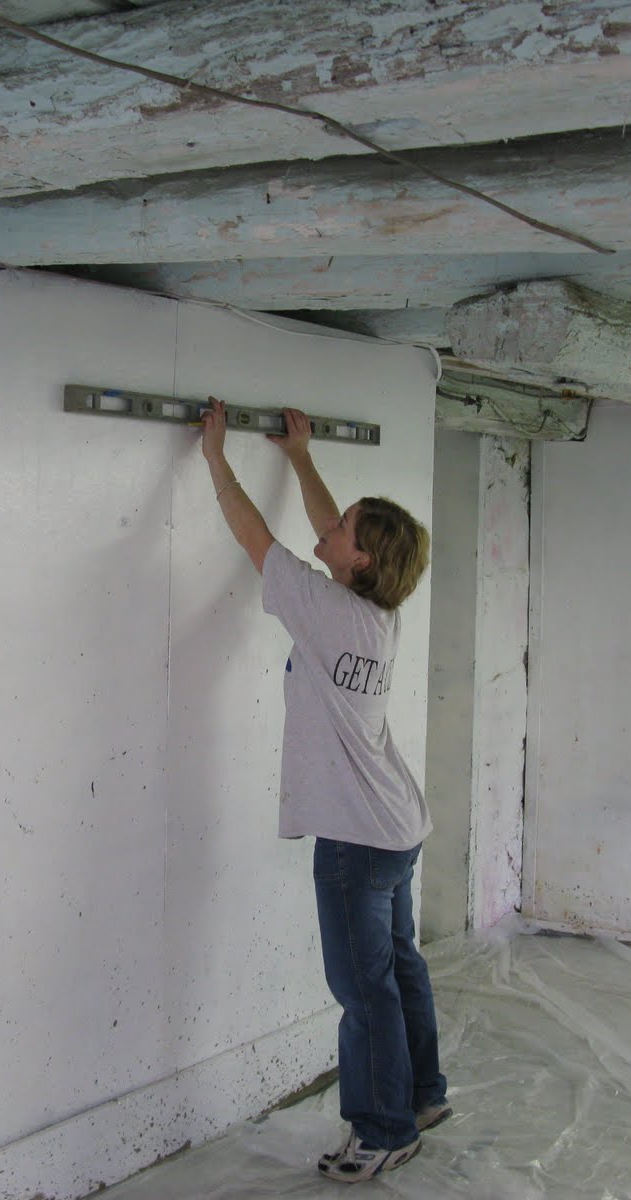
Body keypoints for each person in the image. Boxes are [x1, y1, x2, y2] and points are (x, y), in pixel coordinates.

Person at [199, 398, 449, 1184]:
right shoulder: (375, 613)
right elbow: (327, 531)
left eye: (343, 527)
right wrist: (301, 458)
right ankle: (421, 1095)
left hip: (357, 838)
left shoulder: (329, 610)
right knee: (398, 968)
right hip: (395, 826)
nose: (331, 525)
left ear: (359, 561)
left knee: (362, 990)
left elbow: (256, 539)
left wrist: (215, 458)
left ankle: (383, 1130)